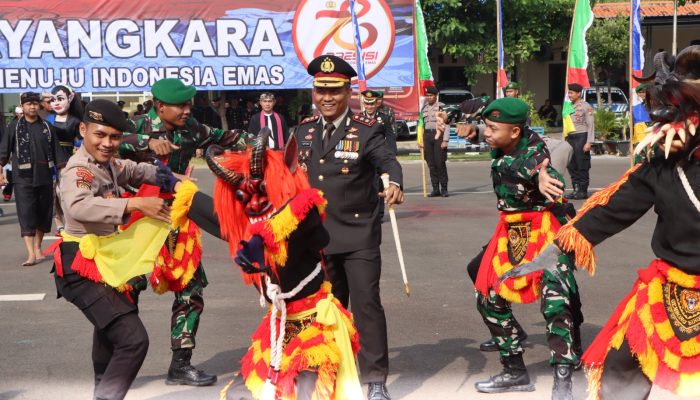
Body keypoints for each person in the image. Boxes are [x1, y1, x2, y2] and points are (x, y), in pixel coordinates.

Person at [501, 45, 700, 400]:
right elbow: (610, 209)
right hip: (670, 290)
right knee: (620, 368)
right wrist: (555, 250)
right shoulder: (661, 167)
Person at [191, 133, 363, 400]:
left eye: (262, 192)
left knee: (308, 393)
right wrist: (178, 191)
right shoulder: (251, 225)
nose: (255, 202)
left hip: (315, 327)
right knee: (243, 394)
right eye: (245, 196)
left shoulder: (305, 215)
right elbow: (219, 219)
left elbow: (303, 220)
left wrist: (263, 242)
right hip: (279, 327)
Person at [51, 98, 178, 400]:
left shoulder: (107, 163)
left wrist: (168, 178)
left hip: (106, 262)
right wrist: (135, 203)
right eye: (100, 135)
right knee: (133, 340)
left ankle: (101, 390)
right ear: (83, 130)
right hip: (80, 264)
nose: (107, 143)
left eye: (115, 137)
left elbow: (131, 170)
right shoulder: (79, 170)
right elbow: (79, 205)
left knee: (109, 333)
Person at [119, 77, 242, 387]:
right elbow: (112, 141)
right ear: (160, 107)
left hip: (174, 219)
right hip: (136, 221)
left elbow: (227, 137)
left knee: (190, 288)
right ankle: (116, 363)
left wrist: (265, 146)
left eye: (190, 104)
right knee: (126, 290)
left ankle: (180, 365)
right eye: (181, 105)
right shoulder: (138, 125)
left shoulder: (192, 129)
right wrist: (146, 143)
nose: (188, 110)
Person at [294, 54, 403, 400]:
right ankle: (332, 373)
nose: (327, 98)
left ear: (348, 92)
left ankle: (374, 381)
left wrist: (395, 183)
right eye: (321, 90)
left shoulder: (367, 131)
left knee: (367, 306)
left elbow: (388, 161)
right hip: (317, 240)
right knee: (326, 309)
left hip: (358, 237)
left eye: (335, 91)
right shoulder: (303, 131)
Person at [469, 98, 582, 400]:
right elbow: (492, 138)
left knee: (555, 302)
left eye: (492, 128)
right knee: (487, 296)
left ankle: (563, 380)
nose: (487, 132)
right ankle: (515, 371)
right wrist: (472, 131)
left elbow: (541, 168)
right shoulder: (509, 141)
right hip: (513, 231)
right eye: (487, 126)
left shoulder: (532, 156)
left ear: (515, 131)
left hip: (546, 234)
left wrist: (546, 178)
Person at [0, 92, 68, 266]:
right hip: (22, 179)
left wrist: (64, 174)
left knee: (43, 214)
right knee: (26, 214)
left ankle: (38, 247)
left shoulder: (47, 127)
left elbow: (57, 152)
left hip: (45, 177)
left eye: (35, 104)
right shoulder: (13, 127)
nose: (32, 107)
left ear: (39, 106)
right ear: (22, 107)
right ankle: (30, 253)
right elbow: (3, 152)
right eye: (28, 104)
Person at [564, 83, 594, 200]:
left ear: (578, 93)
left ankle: (583, 191)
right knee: (572, 165)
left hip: (582, 137)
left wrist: (589, 142)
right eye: (569, 92)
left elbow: (591, 125)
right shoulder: (568, 107)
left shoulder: (586, 106)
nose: (569, 95)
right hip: (570, 138)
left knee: (582, 164)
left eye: (571, 93)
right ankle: (575, 189)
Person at [419, 86, 449, 197]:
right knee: (431, 164)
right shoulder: (424, 108)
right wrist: (421, 140)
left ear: (436, 96)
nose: (429, 97)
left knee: (440, 163)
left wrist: (445, 140)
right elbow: (421, 125)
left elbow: (447, 124)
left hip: (439, 135)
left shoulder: (441, 107)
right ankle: (435, 188)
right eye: (427, 95)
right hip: (427, 136)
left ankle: (444, 189)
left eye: (431, 95)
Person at [47, 85, 84, 158]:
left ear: (70, 98)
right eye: (53, 100)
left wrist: (79, 146)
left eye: (60, 99)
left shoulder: (75, 121)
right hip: (51, 156)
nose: (56, 103)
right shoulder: (47, 119)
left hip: (68, 155)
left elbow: (81, 139)